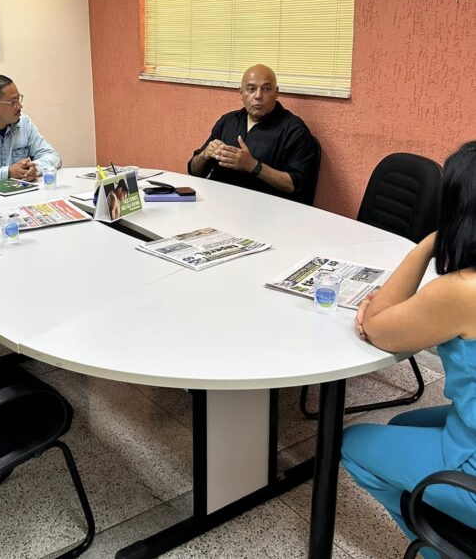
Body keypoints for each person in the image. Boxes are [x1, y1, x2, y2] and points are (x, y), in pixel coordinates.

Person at [342, 141, 476, 557]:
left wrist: (428, 243)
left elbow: (376, 327)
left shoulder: (464, 291)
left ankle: (443, 549)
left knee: (352, 445)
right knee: (402, 423)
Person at [188, 64, 318, 203]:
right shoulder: (227, 121)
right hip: (218, 204)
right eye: (251, 89)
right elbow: (194, 171)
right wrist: (204, 155)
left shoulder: (294, 130)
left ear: (276, 92)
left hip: (266, 212)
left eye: (266, 89)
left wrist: (254, 166)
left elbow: (299, 186)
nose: (258, 96)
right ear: (241, 93)